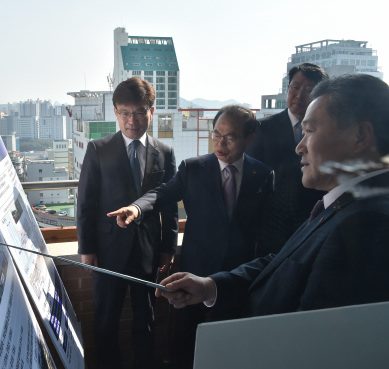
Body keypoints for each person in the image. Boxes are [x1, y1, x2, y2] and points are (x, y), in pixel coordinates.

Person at [157, 74, 389, 324]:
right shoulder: (341, 207)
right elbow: (284, 263)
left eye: (310, 130)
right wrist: (210, 286)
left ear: (361, 136)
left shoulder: (369, 224)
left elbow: (318, 338)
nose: (299, 147)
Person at [108, 105, 274, 368]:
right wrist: (136, 208)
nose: (220, 143)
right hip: (196, 269)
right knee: (185, 340)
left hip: (237, 274)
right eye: (216, 134)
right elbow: (161, 194)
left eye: (230, 137)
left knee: (232, 342)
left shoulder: (263, 175)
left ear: (250, 138)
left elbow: (266, 227)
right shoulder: (193, 168)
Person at [77, 77, 178, 369]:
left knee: (145, 319)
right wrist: (87, 249)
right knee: (106, 319)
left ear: (151, 111)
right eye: (124, 112)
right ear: (115, 113)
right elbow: (85, 203)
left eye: (138, 112)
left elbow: (169, 206)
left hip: (148, 250)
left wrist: (168, 248)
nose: (131, 120)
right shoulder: (98, 148)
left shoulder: (165, 152)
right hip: (107, 251)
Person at [246, 63, 329, 256]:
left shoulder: (327, 131)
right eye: (295, 87)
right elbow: (251, 177)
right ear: (288, 88)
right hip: (272, 223)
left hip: (314, 219)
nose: (300, 95)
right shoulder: (262, 128)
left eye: (309, 90)